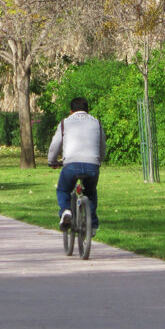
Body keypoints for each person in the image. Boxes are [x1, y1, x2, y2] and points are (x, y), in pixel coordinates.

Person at [47, 96, 106, 235]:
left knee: (63, 190)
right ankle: (92, 225)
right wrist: (99, 160)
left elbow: (55, 145)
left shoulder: (65, 123)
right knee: (90, 192)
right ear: (87, 110)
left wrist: (52, 161)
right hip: (92, 164)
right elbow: (102, 145)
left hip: (71, 164)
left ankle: (66, 211)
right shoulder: (96, 122)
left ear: (71, 111)